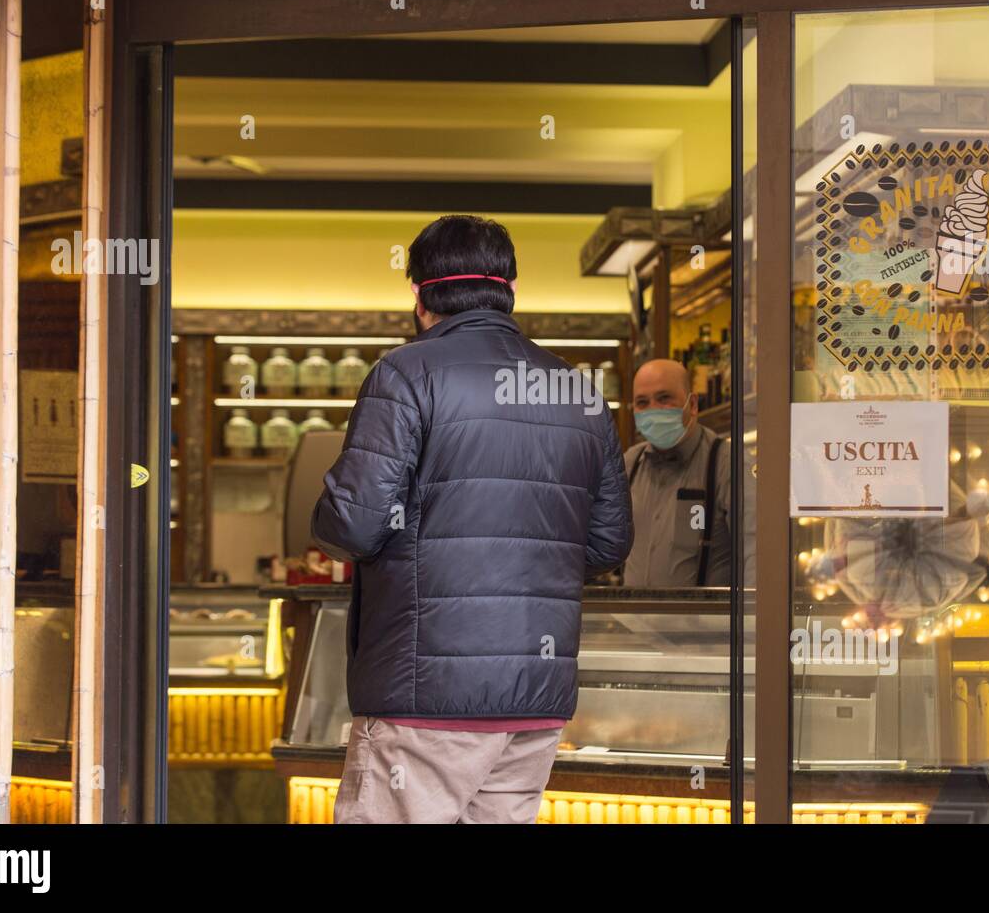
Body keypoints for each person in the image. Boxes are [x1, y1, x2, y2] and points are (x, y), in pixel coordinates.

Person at [310, 214, 633, 823]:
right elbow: (608, 544)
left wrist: (328, 506)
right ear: (509, 288)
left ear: (417, 292)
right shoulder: (579, 392)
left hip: (423, 695)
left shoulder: (405, 373)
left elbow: (353, 525)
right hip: (534, 698)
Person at [622, 358, 733, 587]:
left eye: (664, 398)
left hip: (703, 622)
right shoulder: (629, 463)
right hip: (632, 621)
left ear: (692, 404)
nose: (652, 409)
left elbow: (756, 551)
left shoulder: (725, 462)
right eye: (642, 403)